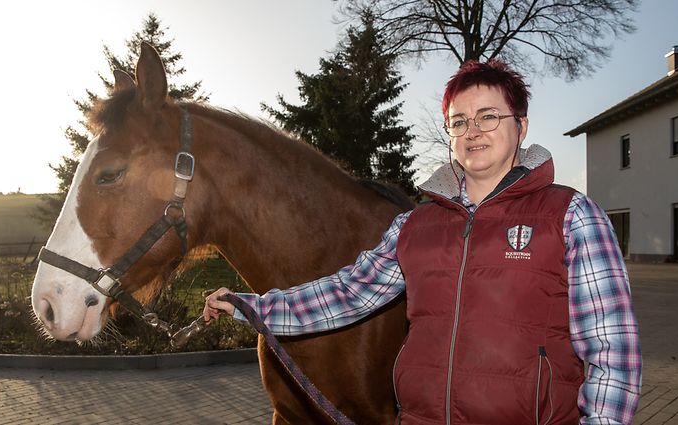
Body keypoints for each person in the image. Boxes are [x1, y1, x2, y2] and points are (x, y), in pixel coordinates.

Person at [203, 59, 642, 425]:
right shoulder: (415, 224)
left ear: (521, 126)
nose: (473, 131)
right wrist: (251, 307)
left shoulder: (571, 216)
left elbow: (613, 353)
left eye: (489, 116)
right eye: (459, 121)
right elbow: (347, 294)